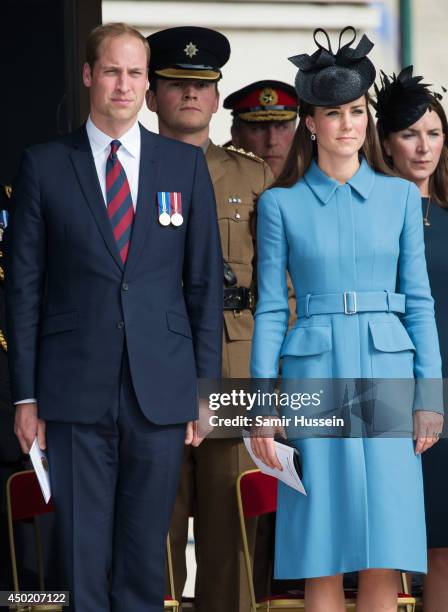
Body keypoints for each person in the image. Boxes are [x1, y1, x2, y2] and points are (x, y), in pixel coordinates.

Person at [5, 22, 222, 612]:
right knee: (79, 557)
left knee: (144, 557)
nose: (123, 85)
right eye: (111, 71)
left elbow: (203, 286)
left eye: (134, 74)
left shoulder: (183, 166)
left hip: (161, 389)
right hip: (73, 393)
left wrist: (204, 391)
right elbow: (23, 290)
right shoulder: (45, 166)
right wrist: (24, 397)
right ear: (88, 77)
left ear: (145, 83)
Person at [250, 27, 444, 612]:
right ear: (310, 122)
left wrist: (430, 394)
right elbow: (268, 309)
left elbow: (420, 300)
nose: (348, 125)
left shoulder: (400, 198)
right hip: (312, 372)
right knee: (322, 549)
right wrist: (262, 405)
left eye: (357, 111)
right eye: (333, 113)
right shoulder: (280, 204)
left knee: (384, 548)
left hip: (388, 365)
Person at [145, 26, 272, 612]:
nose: (189, 96)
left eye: (201, 86)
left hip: (236, 368)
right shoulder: (126, 171)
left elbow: (282, 287)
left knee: (232, 544)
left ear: (217, 98)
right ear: (152, 95)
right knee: (152, 535)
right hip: (149, 367)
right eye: (175, 85)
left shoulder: (255, 179)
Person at [374, 65, 448, 611]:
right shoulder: (365, 217)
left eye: (435, 133)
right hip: (382, 392)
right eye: (410, 134)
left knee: (443, 545)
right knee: (380, 544)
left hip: (444, 392)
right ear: (386, 142)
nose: (424, 147)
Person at [224, 80, 298, 178]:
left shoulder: (316, 175)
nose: (272, 141)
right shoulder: (210, 179)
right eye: (259, 128)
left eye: (281, 127)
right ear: (236, 134)